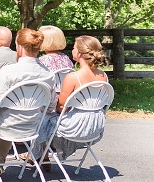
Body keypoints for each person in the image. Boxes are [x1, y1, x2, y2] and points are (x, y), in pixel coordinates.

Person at [0, 28, 55, 179]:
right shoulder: (48, 74)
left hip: (7, 125)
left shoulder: (8, 72)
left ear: (19, 46)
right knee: (6, 116)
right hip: (33, 125)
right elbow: (50, 107)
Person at [30, 35, 109, 169]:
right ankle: (41, 154)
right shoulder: (104, 76)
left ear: (79, 53)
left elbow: (60, 107)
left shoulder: (73, 77)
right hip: (96, 125)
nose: (71, 50)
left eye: (73, 47)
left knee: (42, 118)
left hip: (76, 126)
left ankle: (39, 154)